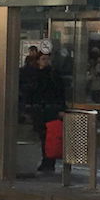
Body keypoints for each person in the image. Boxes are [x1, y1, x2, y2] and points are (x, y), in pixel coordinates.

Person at [19, 46, 66, 174]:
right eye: (43, 59)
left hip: (49, 110)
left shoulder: (53, 74)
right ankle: (44, 161)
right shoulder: (32, 74)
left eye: (47, 59)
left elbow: (60, 93)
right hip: (37, 109)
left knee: (49, 137)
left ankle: (48, 162)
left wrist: (61, 108)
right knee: (40, 136)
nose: (46, 61)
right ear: (38, 60)